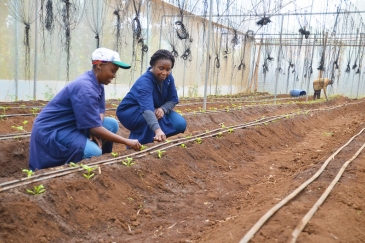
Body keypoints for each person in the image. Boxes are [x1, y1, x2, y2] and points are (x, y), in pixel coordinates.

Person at [29, 47, 141, 170]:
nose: (114, 76)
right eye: (113, 71)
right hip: (53, 130)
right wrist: (126, 141)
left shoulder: (98, 82)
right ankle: (80, 166)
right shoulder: (85, 88)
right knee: (93, 152)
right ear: (99, 65)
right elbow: (94, 127)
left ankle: (99, 163)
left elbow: (100, 110)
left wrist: (95, 129)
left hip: (71, 124)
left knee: (112, 124)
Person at [116, 49, 186, 145]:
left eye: (168, 69)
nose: (164, 73)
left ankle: (153, 138)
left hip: (154, 108)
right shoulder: (145, 82)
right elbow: (147, 110)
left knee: (179, 123)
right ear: (153, 65)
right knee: (152, 118)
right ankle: (137, 143)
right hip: (130, 112)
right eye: (161, 68)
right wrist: (157, 130)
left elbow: (172, 99)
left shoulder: (169, 78)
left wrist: (163, 109)